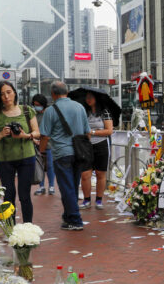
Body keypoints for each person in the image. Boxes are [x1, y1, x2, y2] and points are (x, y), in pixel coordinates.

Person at [38, 81, 90, 231]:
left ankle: (75, 219)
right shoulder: (79, 107)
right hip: (79, 153)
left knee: (67, 187)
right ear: (66, 92)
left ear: (53, 94)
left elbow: (45, 136)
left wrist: (41, 152)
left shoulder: (51, 110)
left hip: (62, 153)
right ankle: (68, 217)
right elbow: (87, 132)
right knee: (72, 186)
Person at [0, 81, 40, 223]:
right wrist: (1, 134)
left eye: (8, 92)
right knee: (9, 195)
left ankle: (28, 227)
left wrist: (25, 135)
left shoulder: (27, 110)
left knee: (25, 195)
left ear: (14, 92)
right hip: (5, 160)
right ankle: (11, 229)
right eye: (2, 94)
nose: (6, 96)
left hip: (27, 157)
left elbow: (37, 133)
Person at [79, 91, 113, 210]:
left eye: (91, 97)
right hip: (86, 146)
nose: (88, 99)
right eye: (86, 97)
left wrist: (93, 132)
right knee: (85, 174)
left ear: (96, 98)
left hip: (101, 145)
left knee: (100, 173)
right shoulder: (83, 112)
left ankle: (99, 200)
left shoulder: (105, 112)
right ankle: (86, 200)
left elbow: (109, 131)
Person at [31, 94, 56, 196]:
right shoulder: (33, 114)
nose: (37, 107)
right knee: (39, 166)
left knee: (50, 165)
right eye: (35, 104)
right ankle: (41, 186)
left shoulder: (49, 113)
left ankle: (51, 186)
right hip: (36, 144)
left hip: (49, 144)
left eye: (39, 105)